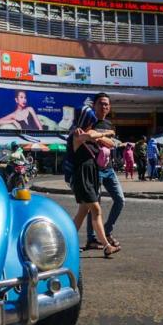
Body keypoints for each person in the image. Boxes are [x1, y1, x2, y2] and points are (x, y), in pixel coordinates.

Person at [70, 105, 120, 257]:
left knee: (82, 212)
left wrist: (104, 134)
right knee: (96, 209)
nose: (92, 123)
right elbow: (90, 137)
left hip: (92, 174)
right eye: (90, 121)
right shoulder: (76, 134)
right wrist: (107, 133)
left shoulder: (89, 132)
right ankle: (106, 245)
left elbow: (112, 144)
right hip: (82, 175)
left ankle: (66, 241)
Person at [84, 93, 123, 251]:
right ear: (94, 105)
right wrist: (104, 138)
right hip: (94, 169)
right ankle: (91, 239)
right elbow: (89, 137)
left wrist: (101, 138)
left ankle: (106, 231)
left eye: (106, 104)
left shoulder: (108, 123)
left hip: (109, 169)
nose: (104, 106)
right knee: (94, 205)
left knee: (120, 200)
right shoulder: (89, 121)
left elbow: (112, 144)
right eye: (101, 103)